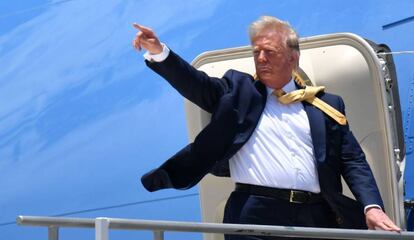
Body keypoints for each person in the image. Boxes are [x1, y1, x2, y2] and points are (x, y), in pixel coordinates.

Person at [132, 16, 400, 239]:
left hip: (316, 214)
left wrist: (372, 207)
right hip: (255, 212)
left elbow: (351, 159)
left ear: (293, 58)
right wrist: (160, 53)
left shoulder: (325, 105)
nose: (260, 58)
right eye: (256, 52)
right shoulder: (238, 91)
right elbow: (197, 84)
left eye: (269, 52)